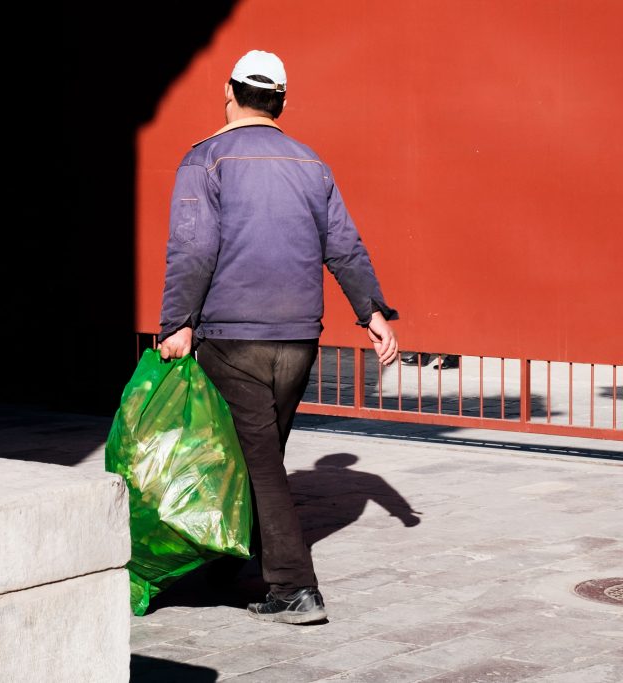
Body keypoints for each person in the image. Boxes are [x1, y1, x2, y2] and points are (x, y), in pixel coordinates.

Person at [157, 50, 400, 624]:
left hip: (233, 337)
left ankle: (294, 587)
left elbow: (191, 248)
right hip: (298, 339)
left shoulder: (206, 159)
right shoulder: (310, 164)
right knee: (257, 454)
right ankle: (231, 563)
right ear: (282, 101)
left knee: (257, 461)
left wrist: (176, 323)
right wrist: (372, 313)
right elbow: (343, 243)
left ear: (229, 91)